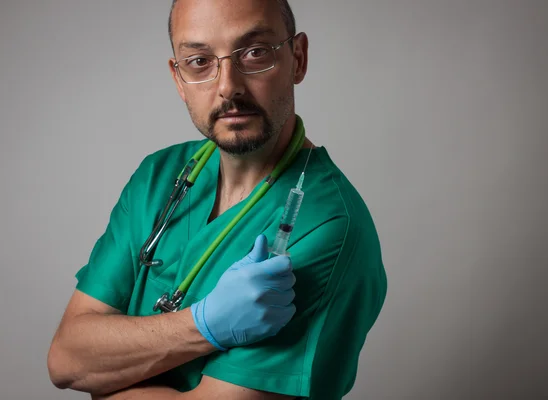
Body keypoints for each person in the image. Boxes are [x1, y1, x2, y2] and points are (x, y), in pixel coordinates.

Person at [47, 0, 387, 399]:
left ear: (297, 58)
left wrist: (105, 384)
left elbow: (83, 369)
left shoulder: (326, 227)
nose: (228, 86)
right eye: (199, 61)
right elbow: (66, 358)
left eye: (255, 53)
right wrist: (204, 325)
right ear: (178, 79)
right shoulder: (158, 176)